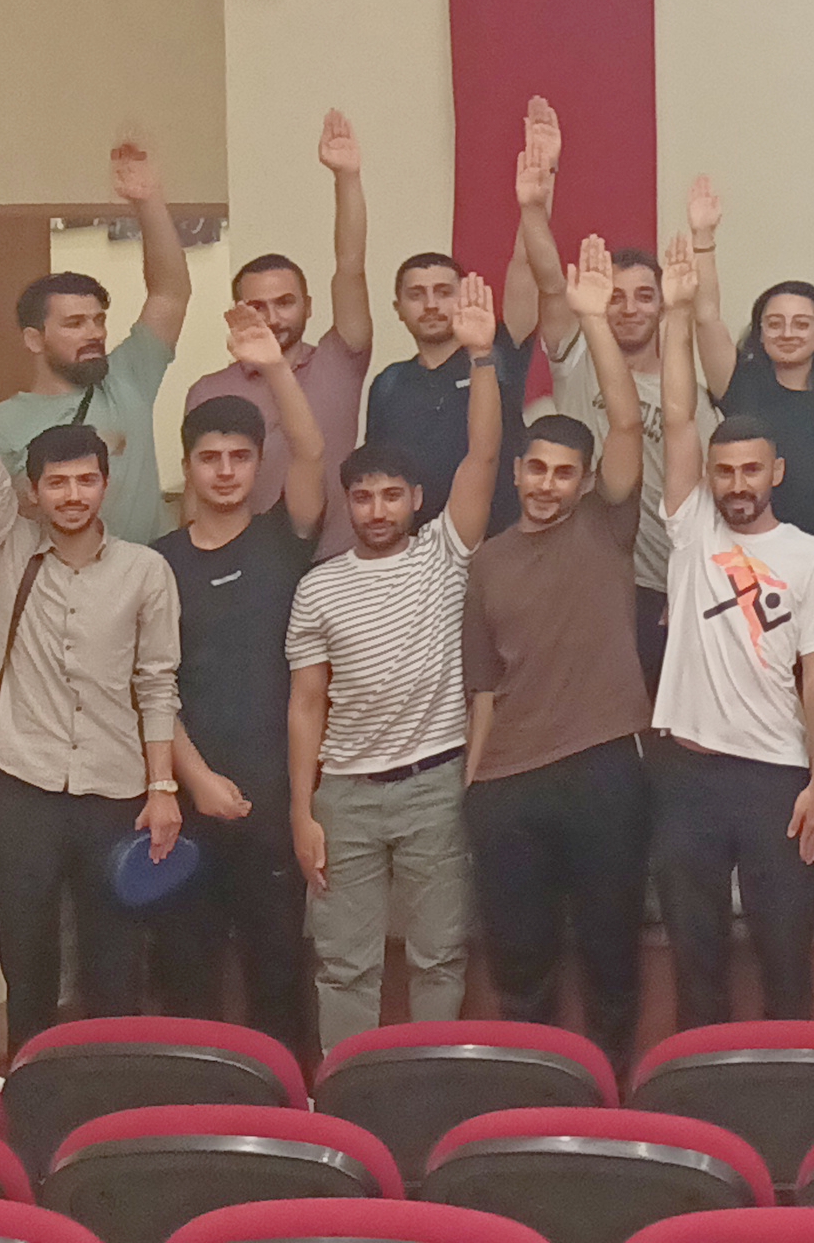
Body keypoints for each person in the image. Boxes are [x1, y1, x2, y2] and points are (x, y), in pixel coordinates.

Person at [286, 278, 504, 1050]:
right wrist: (302, 809)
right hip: (344, 795)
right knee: (345, 965)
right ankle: (350, 1092)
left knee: (439, 955)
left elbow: (484, 454)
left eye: (390, 496)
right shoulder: (318, 586)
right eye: (363, 498)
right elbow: (306, 704)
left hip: (433, 786)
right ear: (347, 503)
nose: (376, 510)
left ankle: (432, 1085)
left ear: (416, 499)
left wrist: (484, 358)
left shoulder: (446, 553)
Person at [0, 340, 187, 1034]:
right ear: (33, 492)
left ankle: (108, 1084)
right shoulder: (11, 549)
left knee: (114, 963)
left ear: (105, 485)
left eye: (86, 480)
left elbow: (158, 685)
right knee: (26, 960)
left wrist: (162, 788)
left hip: (114, 790)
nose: (73, 495)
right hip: (22, 784)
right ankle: (32, 1080)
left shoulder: (145, 571)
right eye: (57, 483)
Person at [651, 237, 814, 1024]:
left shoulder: (812, 559)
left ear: (776, 473)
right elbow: (677, 417)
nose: (736, 485)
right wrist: (676, 314)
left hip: (776, 777)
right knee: (695, 961)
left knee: (785, 961)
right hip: (686, 777)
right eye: (724, 471)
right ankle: (697, 1094)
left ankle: (788, 1086)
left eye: (750, 471)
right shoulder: (692, 528)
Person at [465, 240, 655, 1073]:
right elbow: (483, 686)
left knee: (611, 955)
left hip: (604, 768)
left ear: (584, 482)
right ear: (518, 473)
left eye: (563, 473)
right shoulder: (488, 562)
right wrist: (475, 788)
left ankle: (610, 1093)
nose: (547, 484)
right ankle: (530, 1096)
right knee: (521, 967)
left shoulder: (607, 527)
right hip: (509, 786)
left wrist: (591, 321)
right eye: (536, 470)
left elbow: (625, 422)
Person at [684, 174, 814, 914]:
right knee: (752, 713)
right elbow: (706, 317)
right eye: (775, 321)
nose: (789, 332)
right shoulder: (740, 388)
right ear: (760, 332)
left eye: (803, 322)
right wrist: (705, 242)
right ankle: (753, 850)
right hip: (745, 576)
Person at [143, 299, 331, 1061]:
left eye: (240, 457)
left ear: (258, 464)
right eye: (210, 458)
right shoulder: (157, 565)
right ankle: (194, 1107)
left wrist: (277, 368)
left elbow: (311, 453)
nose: (225, 471)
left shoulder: (284, 539)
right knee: (186, 975)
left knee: (278, 970)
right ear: (187, 466)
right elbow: (150, 687)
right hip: (187, 801)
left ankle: (287, 1106)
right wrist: (196, 781)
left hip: (275, 798)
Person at [505, 97, 693, 688]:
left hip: (662, 581)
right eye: (616, 295)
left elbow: (702, 497)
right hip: (580, 574)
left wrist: (690, 583)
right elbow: (548, 282)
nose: (629, 308)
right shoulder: (578, 353)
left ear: (662, 305)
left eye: (644, 296)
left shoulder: (685, 388)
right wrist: (535, 205)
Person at [0, 138, 194, 542]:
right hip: (57, 578)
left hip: (148, 573)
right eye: (75, 323)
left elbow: (170, 294)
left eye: (98, 321)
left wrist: (149, 202)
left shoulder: (127, 379)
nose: (94, 333)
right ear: (34, 339)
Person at [187, 109, 374, 553]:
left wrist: (346, 178)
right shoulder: (208, 391)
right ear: (237, 312)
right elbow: (196, 498)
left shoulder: (340, 359)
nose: (272, 318)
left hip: (338, 562)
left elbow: (350, 267)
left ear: (309, 306)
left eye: (285, 303)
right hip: (250, 570)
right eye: (258, 307)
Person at [360, 249, 524, 540]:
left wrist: (482, 351)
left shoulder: (499, 362)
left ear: (464, 298)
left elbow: (527, 270)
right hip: (413, 550)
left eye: (444, 292)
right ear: (398, 308)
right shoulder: (388, 383)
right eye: (416, 295)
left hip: (496, 544)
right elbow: (377, 475)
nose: (431, 305)